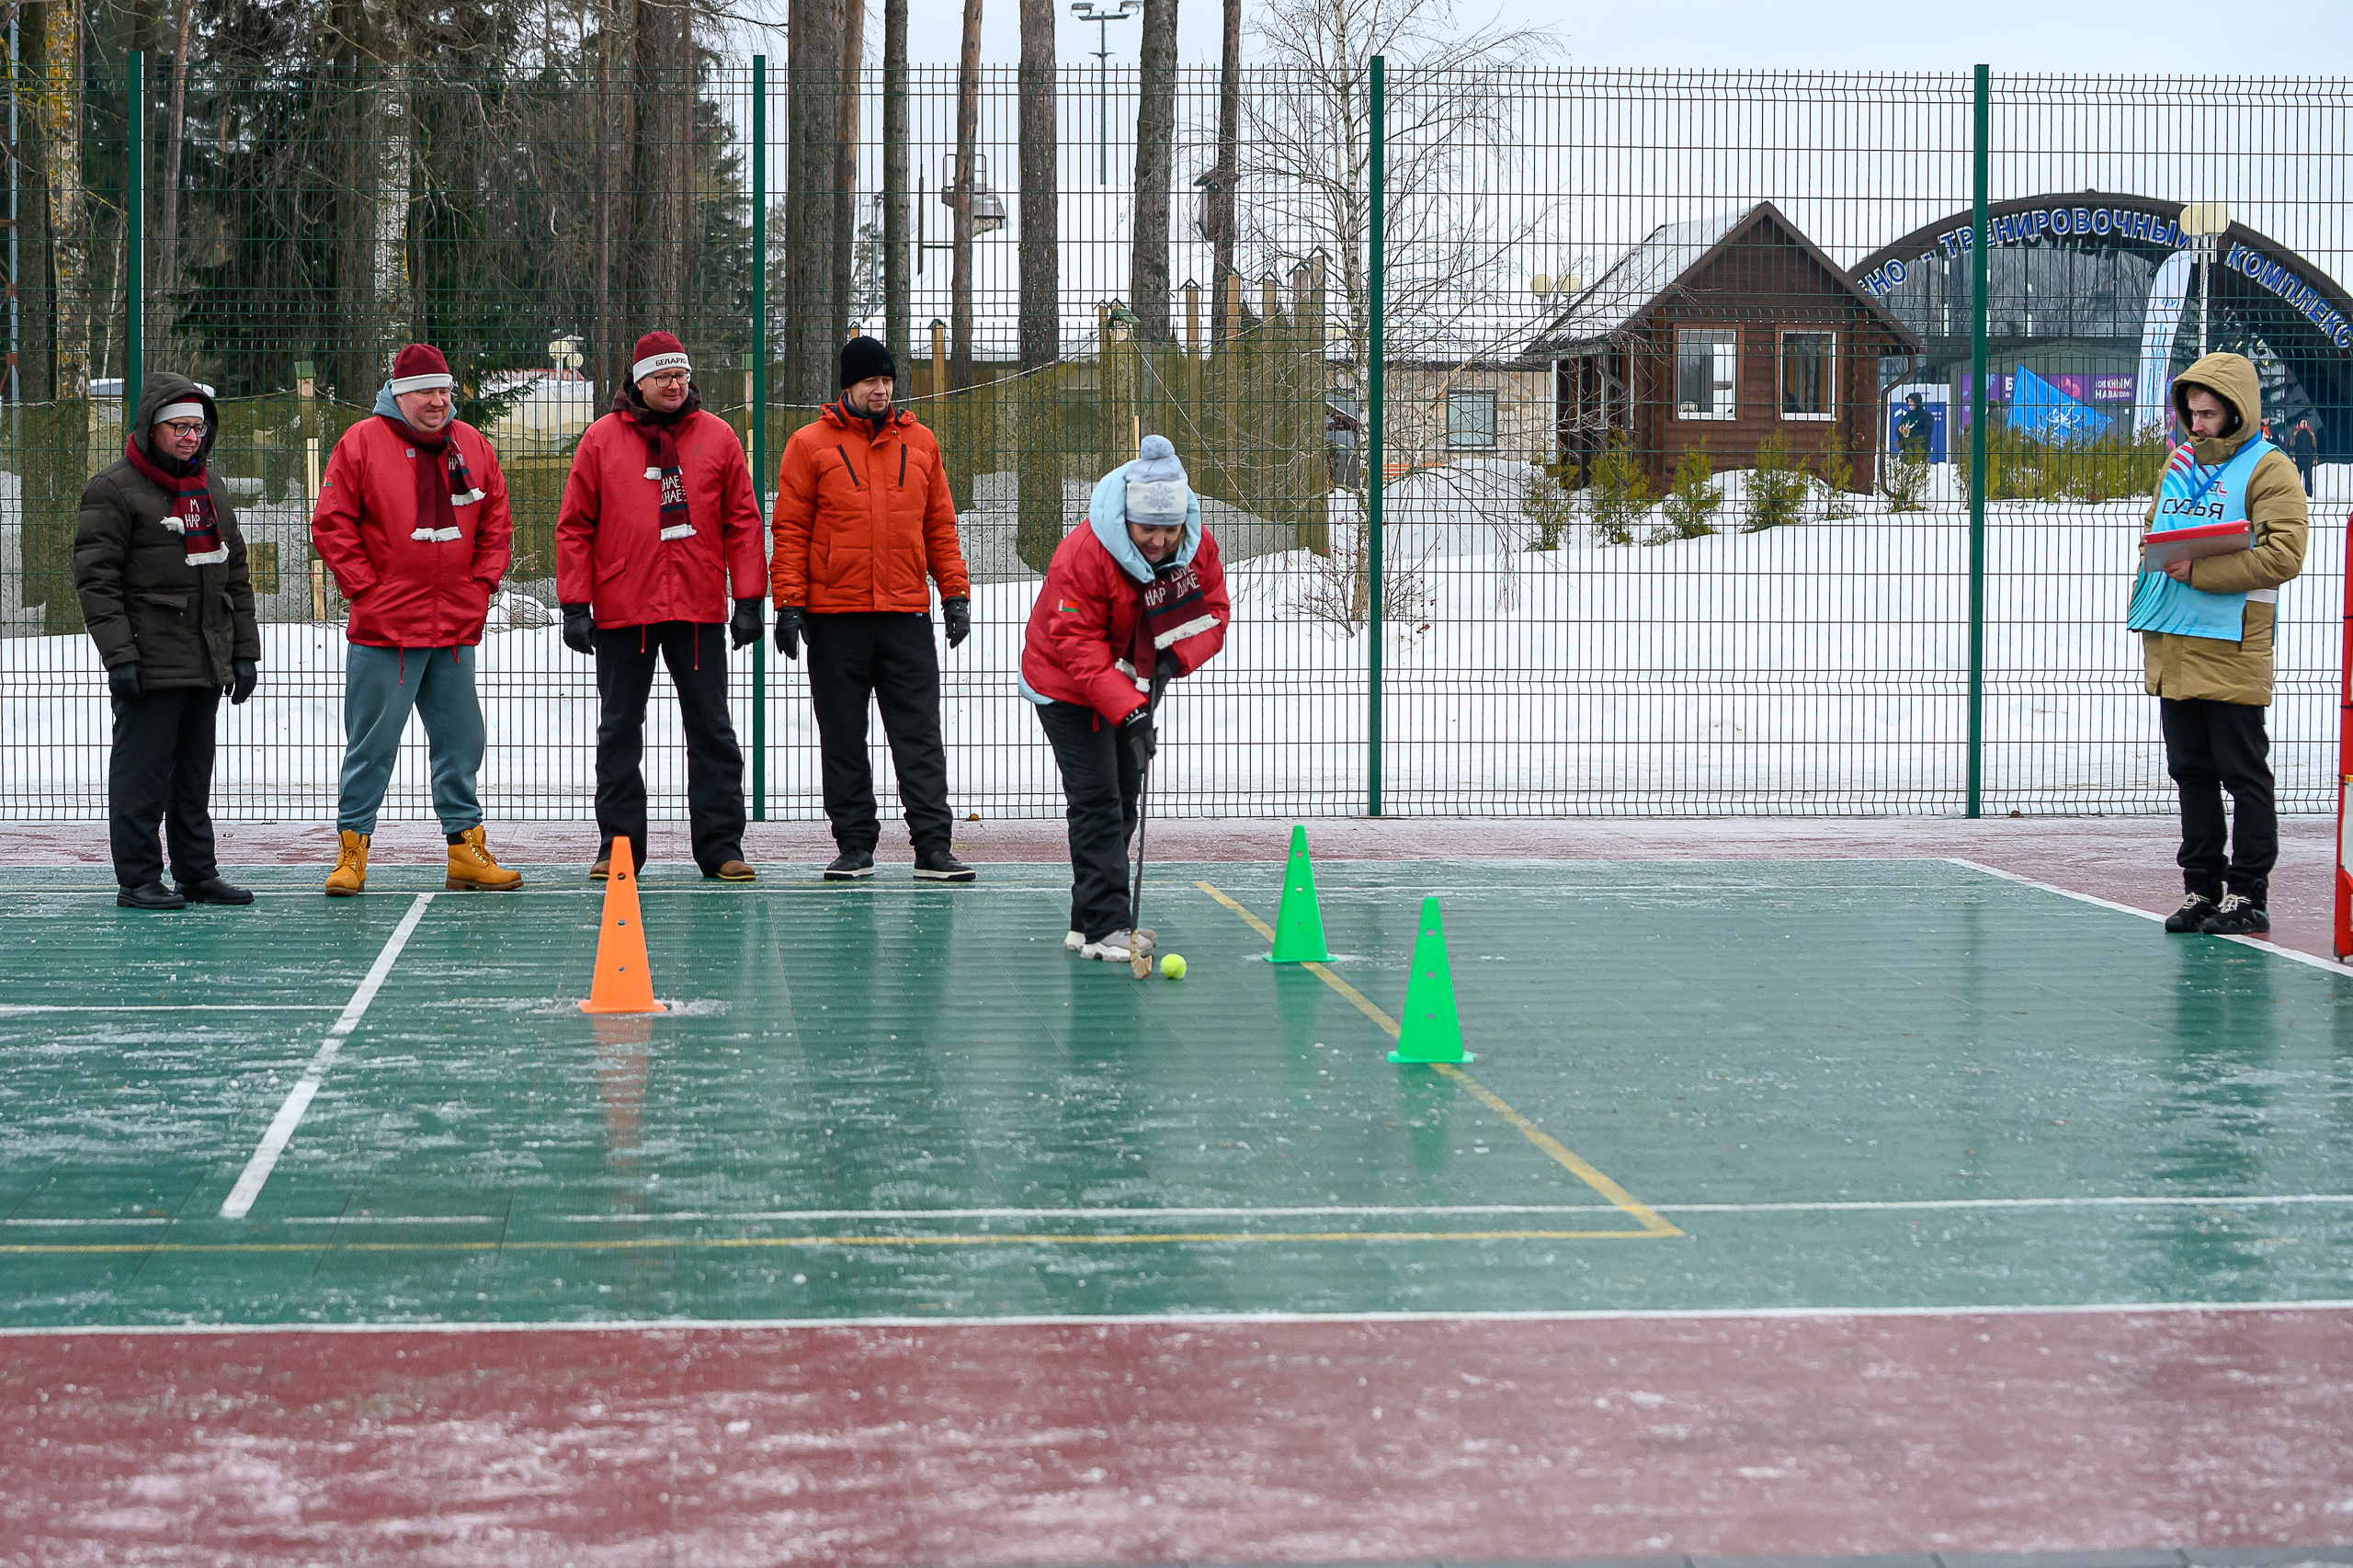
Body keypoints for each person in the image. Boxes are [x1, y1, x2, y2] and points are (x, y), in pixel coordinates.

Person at [311, 342, 521, 896]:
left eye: (445, 391)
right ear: (399, 395)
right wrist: (366, 589)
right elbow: (333, 523)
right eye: (427, 391)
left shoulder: (472, 444)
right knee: (372, 745)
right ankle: (352, 850)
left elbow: (497, 520)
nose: (438, 401)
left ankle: (465, 849)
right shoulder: (360, 443)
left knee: (462, 740)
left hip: (454, 627)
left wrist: (481, 587)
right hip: (386, 630)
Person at [557, 331, 765, 882]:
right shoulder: (600, 440)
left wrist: (748, 596)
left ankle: (721, 846)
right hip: (625, 609)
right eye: (663, 377)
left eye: (681, 376)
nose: (675, 385)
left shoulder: (718, 437)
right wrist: (575, 603)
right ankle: (619, 846)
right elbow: (575, 526)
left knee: (712, 728)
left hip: (697, 608)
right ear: (639, 381)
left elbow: (743, 520)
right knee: (619, 728)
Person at [770, 335, 975, 882]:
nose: (881, 390)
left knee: (920, 737)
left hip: (906, 614)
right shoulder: (808, 445)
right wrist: (789, 604)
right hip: (835, 618)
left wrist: (954, 592)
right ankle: (855, 845)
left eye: (886, 381)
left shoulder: (922, 443)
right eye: (870, 382)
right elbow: (790, 530)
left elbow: (940, 526)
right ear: (848, 386)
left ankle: (933, 847)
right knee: (842, 737)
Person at [1019, 436, 1230, 961]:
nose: (1159, 540)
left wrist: (1170, 661)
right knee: (1097, 800)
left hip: (1135, 680)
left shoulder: (1195, 546)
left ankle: (1087, 917)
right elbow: (1075, 644)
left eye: (1169, 527)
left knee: (1125, 793)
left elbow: (1214, 614)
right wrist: (1131, 711)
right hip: (1066, 687)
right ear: (1127, 519)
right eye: (1147, 529)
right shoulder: (1086, 551)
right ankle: (1107, 926)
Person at [2128, 352, 2308, 937]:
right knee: (2191, 771)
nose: (2196, 425)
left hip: (2232, 643)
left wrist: (2198, 571)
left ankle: (2249, 892)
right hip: (2174, 639)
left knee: (2243, 771)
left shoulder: (2270, 469)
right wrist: (2155, 556)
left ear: (2238, 411)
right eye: (2191, 412)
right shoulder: (2178, 462)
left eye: (2208, 413)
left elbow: (2283, 556)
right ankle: (2201, 886)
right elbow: (2157, 531)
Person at [74, 373, 260, 910]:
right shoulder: (112, 490)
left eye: (198, 428)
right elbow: (97, 582)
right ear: (152, 428)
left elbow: (236, 575)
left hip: (206, 656)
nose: (189, 438)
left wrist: (243, 651)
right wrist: (120, 655)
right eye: (178, 427)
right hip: (149, 655)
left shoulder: (209, 488)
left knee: (193, 774)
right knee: (142, 775)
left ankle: (196, 873)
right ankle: (137, 879)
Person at [1894, 392, 1933, 461]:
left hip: (1921, 449)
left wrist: (1910, 432)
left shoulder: (1927, 415)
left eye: (1911, 401)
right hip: (1907, 450)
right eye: (1908, 401)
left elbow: (1927, 432)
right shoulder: (1908, 415)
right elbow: (1899, 427)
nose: (1909, 404)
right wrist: (1900, 430)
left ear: (1916, 402)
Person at [2290, 417, 2319, 496]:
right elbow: (2292, 446)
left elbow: (2314, 447)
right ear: (2299, 424)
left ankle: (2309, 494)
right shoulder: (2295, 434)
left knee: (2308, 477)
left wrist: (2315, 457)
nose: (2304, 425)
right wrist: (2293, 456)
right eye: (2302, 423)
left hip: (2308, 458)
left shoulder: (2310, 434)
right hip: (2298, 459)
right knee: (2297, 477)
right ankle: (2296, 493)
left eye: (2305, 423)